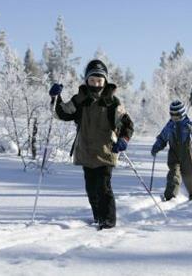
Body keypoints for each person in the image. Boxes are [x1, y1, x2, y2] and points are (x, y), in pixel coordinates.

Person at [49, 59, 134, 230]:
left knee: (103, 188)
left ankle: (108, 221)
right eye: (92, 80)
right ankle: (98, 217)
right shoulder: (80, 100)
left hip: (106, 152)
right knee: (91, 189)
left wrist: (124, 140)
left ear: (105, 81)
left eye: (99, 80)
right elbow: (62, 113)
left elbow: (127, 124)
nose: (96, 84)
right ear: (87, 80)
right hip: (86, 151)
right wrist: (55, 98)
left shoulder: (113, 102)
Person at [151, 100, 192, 201]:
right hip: (173, 153)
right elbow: (162, 138)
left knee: (189, 173)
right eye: (172, 115)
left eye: (176, 115)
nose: (174, 118)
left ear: (182, 114)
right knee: (173, 174)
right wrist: (157, 146)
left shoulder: (187, 124)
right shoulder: (169, 126)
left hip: (186, 153)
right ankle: (170, 195)